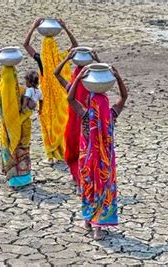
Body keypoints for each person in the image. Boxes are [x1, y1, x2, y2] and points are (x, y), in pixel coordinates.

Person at [67, 65, 128, 240]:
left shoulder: (86, 115)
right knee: (103, 190)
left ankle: (88, 221)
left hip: (87, 161)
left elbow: (70, 98)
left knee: (88, 190)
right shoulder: (111, 115)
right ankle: (97, 229)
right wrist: (117, 77)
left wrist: (78, 78)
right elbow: (124, 96)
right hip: (105, 163)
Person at [23, 18, 78, 165]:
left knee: (48, 123)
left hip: (45, 97)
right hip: (60, 96)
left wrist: (34, 26)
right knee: (62, 121)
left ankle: (51, 153)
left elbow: (26, 44)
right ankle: (62, 150)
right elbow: (75, 46)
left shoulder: (40, 59)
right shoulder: (61, 58)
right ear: (55, 47)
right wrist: (65, 28)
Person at [0, 49, 33, 189]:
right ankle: (24, 179)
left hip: (6, 128)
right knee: (22, 152)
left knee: (10, 152)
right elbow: (33, 104)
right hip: (22, 126)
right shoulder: (21, 90)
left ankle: (13, 181)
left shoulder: (0, 88)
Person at [54, 48, 100, 186]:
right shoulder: (92, 90)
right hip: (88, 124)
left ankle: (79, 177)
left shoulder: (70, 90)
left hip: (75, 124)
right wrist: (97, 61)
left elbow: (56, 73)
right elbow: (106, 79)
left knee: (76, 150)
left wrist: (67, 58)